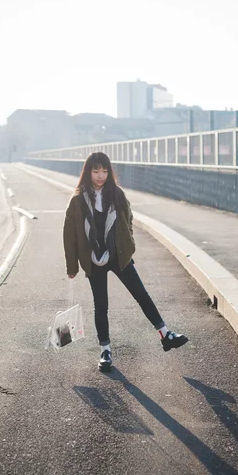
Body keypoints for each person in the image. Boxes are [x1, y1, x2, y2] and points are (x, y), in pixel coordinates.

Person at [63, 152, 188, 372]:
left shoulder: (117, 194)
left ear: (109, 172)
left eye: (104, 170)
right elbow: (69, 234)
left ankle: (165, 334)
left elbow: (128, 220)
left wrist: (127, 246)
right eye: (96, 171)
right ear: (88, 172)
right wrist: (72, 266)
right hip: (93, 259)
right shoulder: (78, 200)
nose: (100, 175)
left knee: (141, 295)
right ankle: (105, 351)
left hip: (118, 255)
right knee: (101, 305)